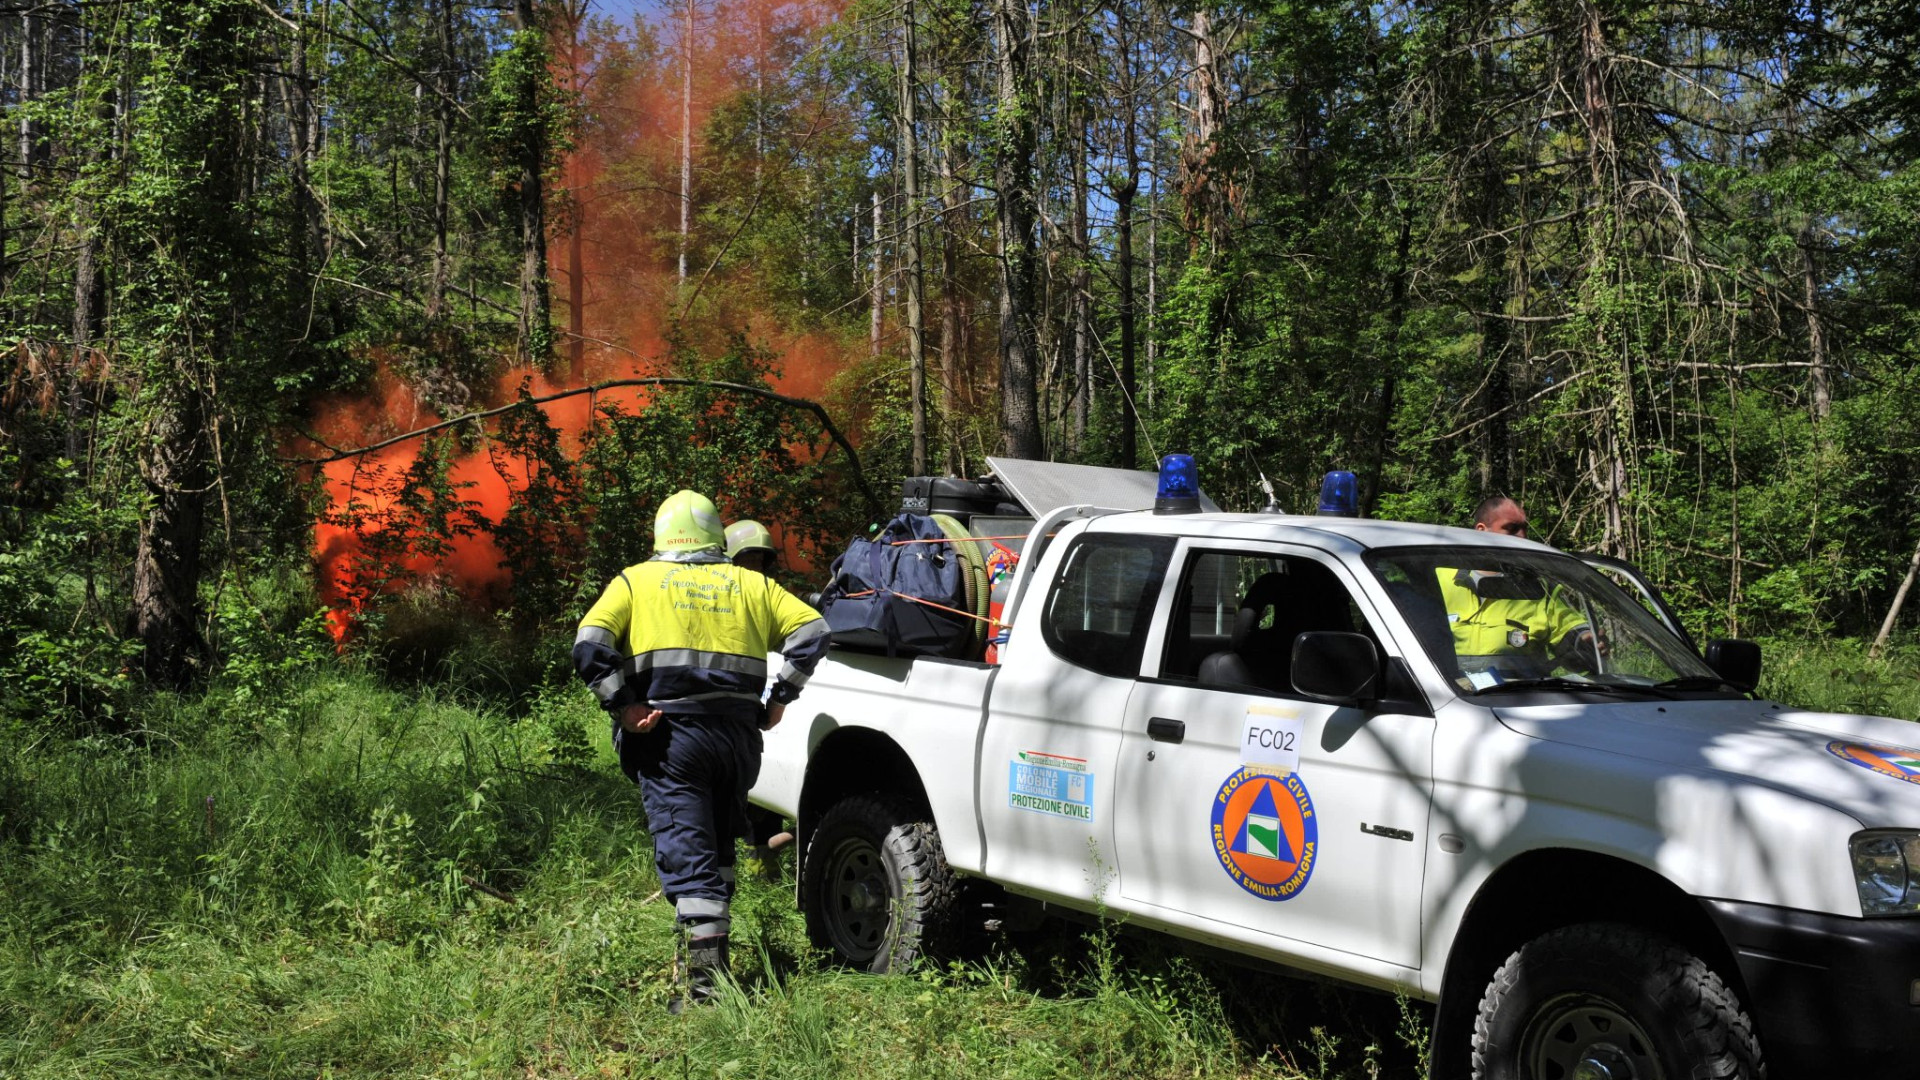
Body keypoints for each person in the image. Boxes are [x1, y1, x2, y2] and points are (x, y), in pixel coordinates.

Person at [574, 491, 829, 1012]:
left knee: (690, 859)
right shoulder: (751, 582)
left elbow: (589, 645)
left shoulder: (635, 581)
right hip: (737, 740)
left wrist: (622, 706)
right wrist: (779, 697)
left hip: (671, 739)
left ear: (660, 538)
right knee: (716, 847)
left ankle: (706, 994)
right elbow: (814, 631)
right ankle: (711, 957)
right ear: (718, 537)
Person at [1438, 497, 1597, 681]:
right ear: (1481, 531)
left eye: (1524, 528)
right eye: (1511, 529)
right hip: (1447, 701)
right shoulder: (1440, 580)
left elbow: (1571, 634)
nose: (1522, 537)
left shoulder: (1538, 589)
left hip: (1519, 703)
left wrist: (1586, 641)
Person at [723, 518, 795, 879]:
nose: (753, 568)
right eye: (748, 560)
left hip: (764, 703)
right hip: (747, 704)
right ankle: (756, 863)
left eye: (758, 560)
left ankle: (760, 864)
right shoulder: (756, 593)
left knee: (762, 786)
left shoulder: (764, 593)